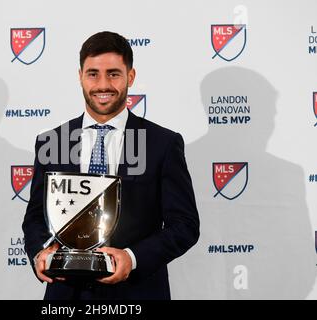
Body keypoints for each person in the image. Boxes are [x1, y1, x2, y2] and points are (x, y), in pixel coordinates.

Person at [22, 31, 199, 300]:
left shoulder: (163, 143)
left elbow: (184, 225)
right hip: (66, 294)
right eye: (93, 73)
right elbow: (35, 216)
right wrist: (40, 251)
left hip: (136, 294)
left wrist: (132, 258)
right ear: (80, 75)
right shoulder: (52, 141)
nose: (103, 84)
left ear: (131, 76)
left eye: (114, 74)